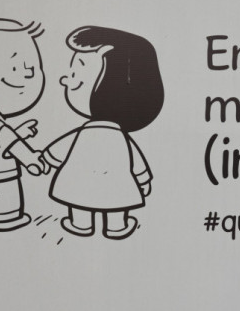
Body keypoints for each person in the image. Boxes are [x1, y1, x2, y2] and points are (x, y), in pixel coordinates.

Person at [43, 26, 164, 239]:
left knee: (79, 199)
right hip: (116, 185)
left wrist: (46, 160)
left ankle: (80, 224)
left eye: (75, 74)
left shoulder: (83, 133)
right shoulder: (121, 138)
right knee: (117, 201)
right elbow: (137, 163)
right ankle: (117, 226)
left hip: (80, 183)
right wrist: (143, 181)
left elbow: (58, 151)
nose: (65, 80)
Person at [0, 18, 47, 231]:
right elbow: (8, 142)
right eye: (15, 67)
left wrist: (18, 132)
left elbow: (1, 139)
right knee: (3, 199)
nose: (29, 73)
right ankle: (5, 219)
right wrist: (30, 159)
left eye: (32, 66)